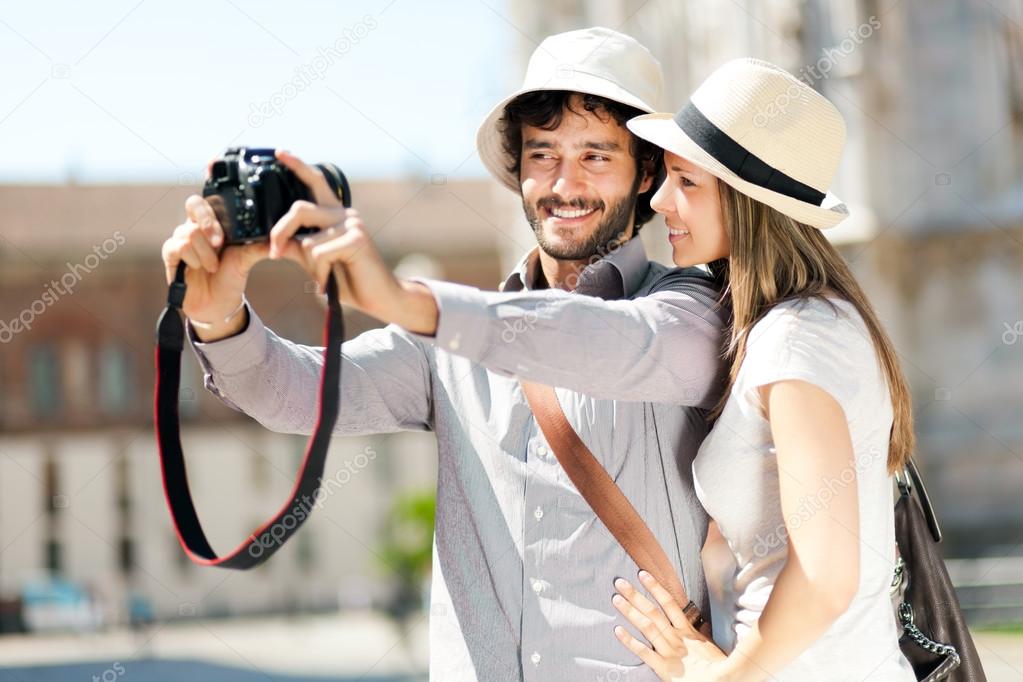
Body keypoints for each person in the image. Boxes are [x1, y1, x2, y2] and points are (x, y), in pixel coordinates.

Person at [161, 27, 729, 680]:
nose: (562, 184)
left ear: (647, 172)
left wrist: (404, 300)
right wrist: (217, 313)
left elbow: (599, 342)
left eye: (595, 157)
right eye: (541, 155)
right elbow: (295, 394)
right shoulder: (450, 341)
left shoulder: (691, 311)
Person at [606, 59, 917, 681]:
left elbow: (827, 578)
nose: (660, 198)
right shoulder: (808, 325)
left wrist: (723, 676)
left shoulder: (797, 338)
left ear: (749, 203)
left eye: (687, 181)